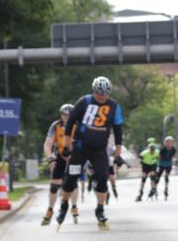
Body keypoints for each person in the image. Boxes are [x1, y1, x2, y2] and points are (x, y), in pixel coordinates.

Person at [58, 76, 124, 230]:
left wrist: (118, 154)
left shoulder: (114, 106)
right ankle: (64, 205)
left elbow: (118, 130)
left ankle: (100, 209)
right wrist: (67, 145)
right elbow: (70, 123)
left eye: (105, 94)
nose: (102, 97)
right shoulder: (84, 102)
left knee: (103, 177)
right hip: (81, 147)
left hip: (99, 149)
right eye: (99, 94)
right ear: (93, 91)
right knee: (70, 178)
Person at [41, 104, 79, 225]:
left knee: (72, 182)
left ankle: (74, 206)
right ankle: (50, 209)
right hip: (60, 155)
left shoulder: (77, 125)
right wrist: (50, 158)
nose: (66, 117)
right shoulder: (55, 126)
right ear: (61, 115)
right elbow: (48, 144)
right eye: (64, 115)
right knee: (54, 184)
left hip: (73, 156)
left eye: (69, 115)